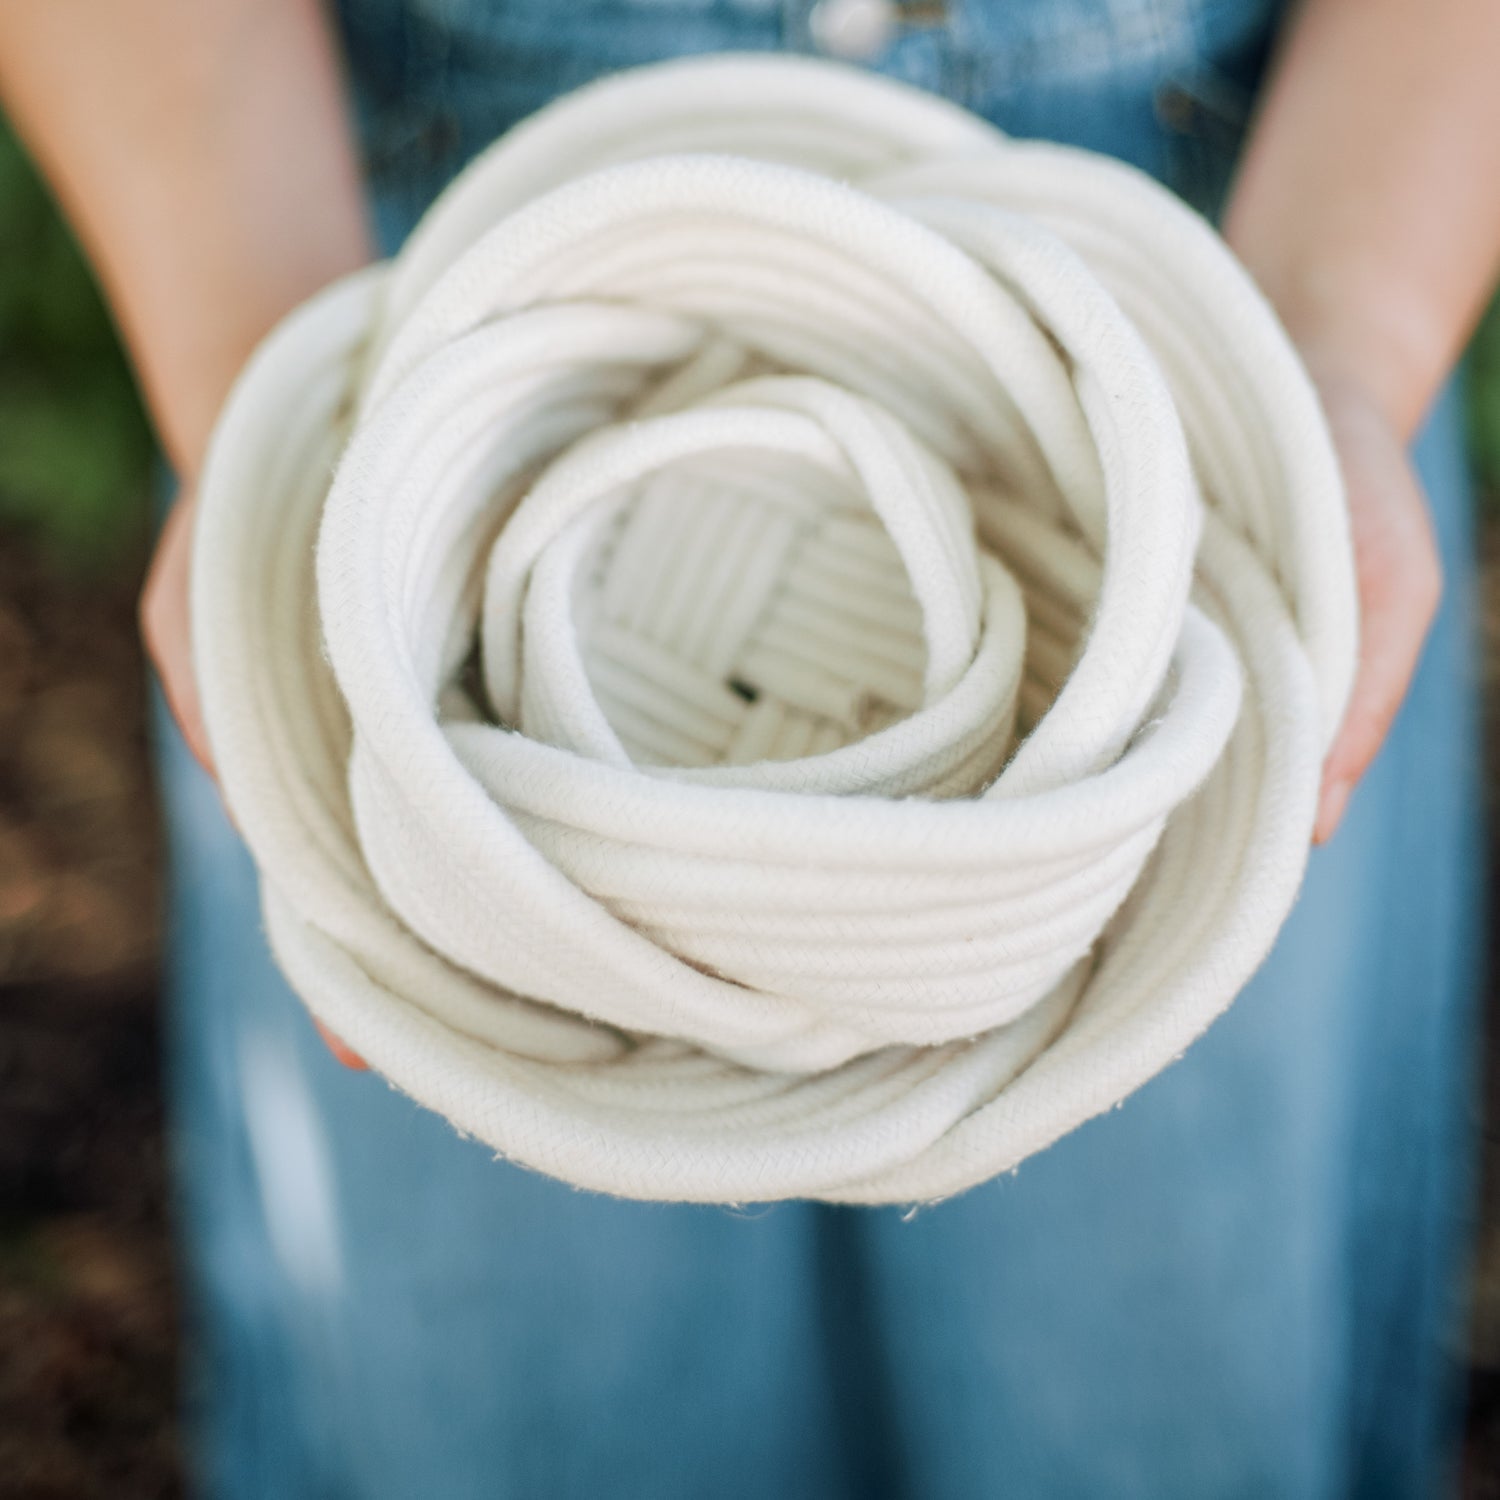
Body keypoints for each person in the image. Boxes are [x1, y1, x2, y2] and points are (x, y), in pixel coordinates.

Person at [1, 0, 1494, 1494]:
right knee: (526, 1426)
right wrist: (266, 394)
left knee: (1146, 1415)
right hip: (429, 329)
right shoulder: (423, 480)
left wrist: (1334, 354)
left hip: (1208, 335)